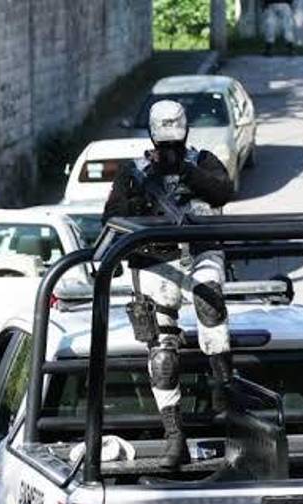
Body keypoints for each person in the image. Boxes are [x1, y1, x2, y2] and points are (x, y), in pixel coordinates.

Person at [103, 99, 236, 468]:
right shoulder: (134, 171)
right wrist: (144, 191)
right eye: (166, 146)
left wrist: (186, 172)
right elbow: (112, 217)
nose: (171, 152)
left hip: (200, 255)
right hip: (155, 262)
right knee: (162, 357)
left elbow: (223, 192)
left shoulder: (203, 161)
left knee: (210, 303)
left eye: (176, 145)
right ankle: (174, 436)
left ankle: (226, 396)